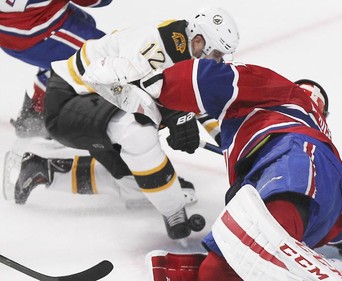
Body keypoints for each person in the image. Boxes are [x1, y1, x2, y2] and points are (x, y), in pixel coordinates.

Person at [7, 6, 240, 241]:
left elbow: (202, 103)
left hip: (99, 106)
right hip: (70, 98)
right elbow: (118, 89)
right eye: (218, 54)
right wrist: (176, 115)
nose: (219, 62)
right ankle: (174, 213)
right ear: (199, 42)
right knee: (138, 133)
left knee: (140, 186)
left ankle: (42, 171)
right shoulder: (156, 44)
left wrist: (233, 143)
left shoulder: (189, 53)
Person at [143, 59, 342, 280]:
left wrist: (160, 86)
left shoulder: (287, 93)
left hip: (292, 162)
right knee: (216, 271)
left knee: (251, 250)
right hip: (324, 205)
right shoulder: (317, 132)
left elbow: (212, 79)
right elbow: (336, 218)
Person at [0, 0, 112, 137]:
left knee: (85, 22)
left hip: (18, 22)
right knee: (106, 56)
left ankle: (39, 109)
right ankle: (45, 117)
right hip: (33, 31)